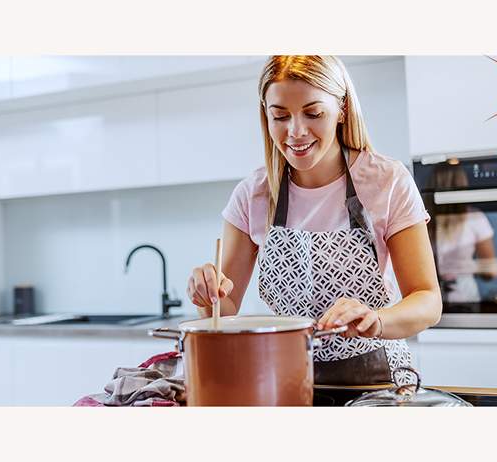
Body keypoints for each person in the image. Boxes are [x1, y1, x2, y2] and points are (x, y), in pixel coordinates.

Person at [186, 56, 442, 385]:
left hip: (377, 380)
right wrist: (207, 296)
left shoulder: (386, 181)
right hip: (289, 378)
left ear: (342, 109)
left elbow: (427, 299)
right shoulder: (253, 195)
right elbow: (224, 311)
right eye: (279, 116)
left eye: (313, 113)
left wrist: (375, 320)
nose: (295, 132)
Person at [428, 164, 497, 304]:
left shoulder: (423, 220)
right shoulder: (476, 218)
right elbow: (491, 272)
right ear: (463, 183)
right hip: (462, 295)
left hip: (433, 299)